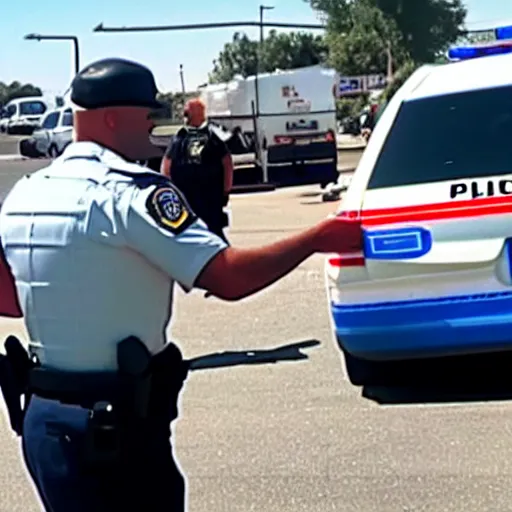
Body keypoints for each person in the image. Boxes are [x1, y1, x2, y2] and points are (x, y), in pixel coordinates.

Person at [0, 57, 362, 512]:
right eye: (148, 115)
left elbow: (10, 301)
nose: (155, 126)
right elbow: (227, 277)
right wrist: (319, 237)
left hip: (44, 424)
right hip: (115, 429)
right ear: (113, 118)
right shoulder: (130, 193)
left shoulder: (26, 193)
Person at [160, 98, 233, 242]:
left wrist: (170, 191)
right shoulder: (212, 136)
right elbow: (228, 164)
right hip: (206, 199)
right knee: (213, 234)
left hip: (194, 199)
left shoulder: (180, 138)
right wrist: (226, 190)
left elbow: (166, 167)